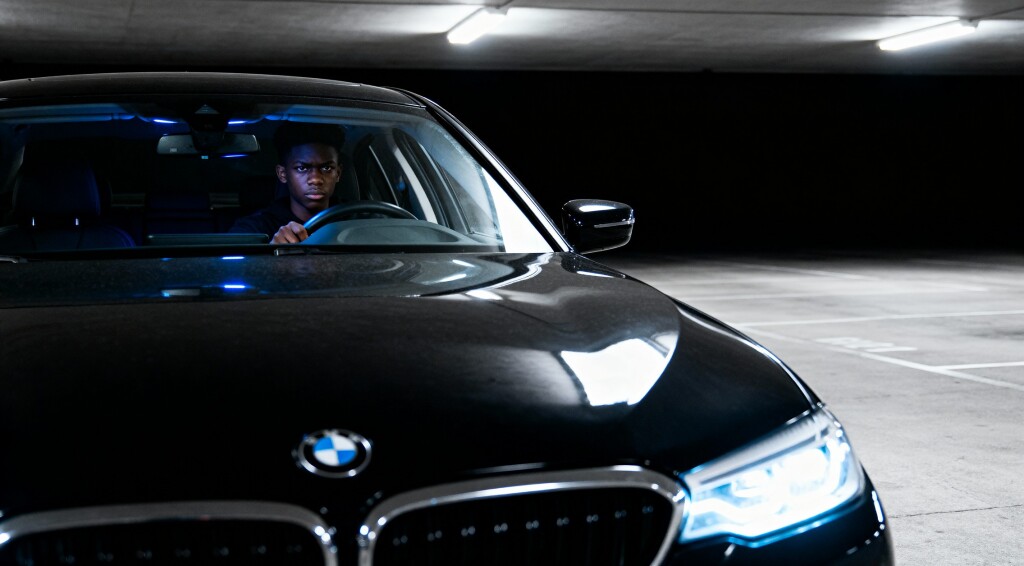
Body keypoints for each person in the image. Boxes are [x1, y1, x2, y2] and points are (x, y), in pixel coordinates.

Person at [230, 122, 345, 243]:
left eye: (326, 168)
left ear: (338, 173)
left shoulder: (355, 220)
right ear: (282, 174)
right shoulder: (256, 227)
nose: (315, 179)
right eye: (302, 168)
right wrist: (272, 250)